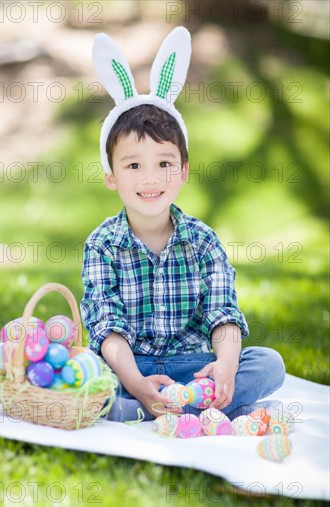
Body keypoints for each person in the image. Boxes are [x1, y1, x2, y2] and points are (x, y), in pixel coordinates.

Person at [80, 27, 285, 422]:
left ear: (183, 171)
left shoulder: (203, 242)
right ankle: (165, 404)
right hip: (129, 367)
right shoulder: (102, 244)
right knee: (85, 369)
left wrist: (224, 365)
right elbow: (107, 325)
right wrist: (137, 379)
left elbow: (222, 314)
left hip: (192, 367)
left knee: (267, 363)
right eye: (133, 165)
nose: (150, 178)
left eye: (164, 163)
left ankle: (156, 409)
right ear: (111, 176)